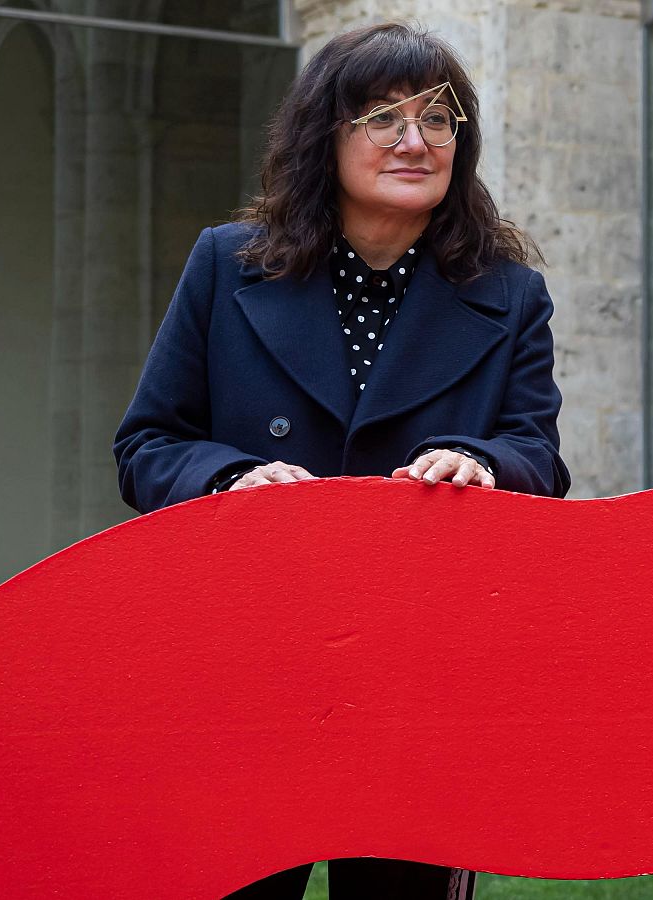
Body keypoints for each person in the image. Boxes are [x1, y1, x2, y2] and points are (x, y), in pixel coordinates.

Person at [112, 21, 572, 900]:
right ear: (325, 137)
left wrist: (478, 460)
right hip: (252, 669)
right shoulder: (225, 265)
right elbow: (147, 445)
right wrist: (230, 477)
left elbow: (538, 457)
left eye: (439, 120)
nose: (415, 141)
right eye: (383, 117)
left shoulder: (511, 295)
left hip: (419, 679)